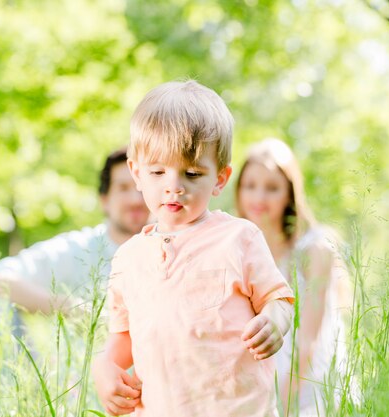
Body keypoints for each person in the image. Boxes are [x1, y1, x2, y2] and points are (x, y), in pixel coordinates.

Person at [92, 81, 295, 417]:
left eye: (192, 173)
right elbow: (123, 340)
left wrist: (275, 320)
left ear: (219, 178)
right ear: (136, 172)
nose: (174, 186)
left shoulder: (239, 238)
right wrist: (103, 369)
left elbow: (279, 298)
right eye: (157, 171)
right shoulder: (128, 260)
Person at [235, 138, 353, 416]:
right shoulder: (238, 252)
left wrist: (285, 399)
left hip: (310, 384)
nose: (259, 198)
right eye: (250, 186)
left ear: (290, 193)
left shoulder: (314, 248)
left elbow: (309, 339)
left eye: (272, 188)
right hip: (262, 385)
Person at [0, 148, 150, 315]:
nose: (136, 199)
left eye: (142, 187)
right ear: (104, 200)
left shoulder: (173, 249)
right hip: (91, 341)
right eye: (123, 188)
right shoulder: (80, 248)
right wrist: (77, 310)